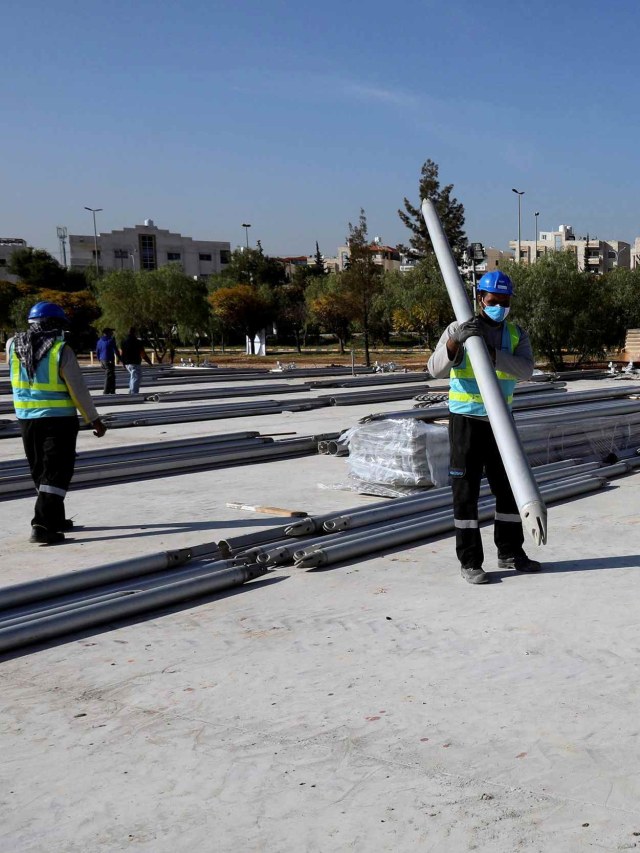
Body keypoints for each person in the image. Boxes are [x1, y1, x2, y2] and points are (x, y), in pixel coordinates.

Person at [427, 270, 541, 585]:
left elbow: (526, 370)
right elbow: (434, 368)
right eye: (493, 301)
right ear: (480, 299)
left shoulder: (516, 334)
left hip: (500, 421)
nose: (499, 307)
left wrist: (492, 355)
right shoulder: (458, 329)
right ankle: (470, 562)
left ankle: (510, 552)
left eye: (504, 302)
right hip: (466, 421)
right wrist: (454, 342)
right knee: (466, 493)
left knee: (509, 490)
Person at [7, 301, 107, 545]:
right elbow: (78, 390)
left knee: (41, 470)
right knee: (56, 471)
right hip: (58, 420)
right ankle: (42, 525)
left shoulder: (12, 345)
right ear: (53, 324)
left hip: (26, 419)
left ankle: (56, 518)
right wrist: (94, 419)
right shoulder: (61, 350)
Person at [120, 326, 152, 394]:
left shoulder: (123, 342)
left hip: (127, 364)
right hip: (135, 363)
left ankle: (131, 391)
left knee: (133, 377)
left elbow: (122, 354)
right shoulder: (138, 342)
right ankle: (134, 393)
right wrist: (149, 362)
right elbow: (143, 354)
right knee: (136, 378)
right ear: (135, 333)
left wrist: (123, 363)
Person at [95, 327, 121, 394]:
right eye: (111, 332)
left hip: (102, 360)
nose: (112, 333)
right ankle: (106, 391)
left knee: (112, 375)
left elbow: (97, 352)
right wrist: (120, 359)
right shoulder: (110, 340)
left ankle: (112, 391)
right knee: (109, 376)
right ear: (107, 333)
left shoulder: (99, 341)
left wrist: (100, 361)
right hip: (109, 360)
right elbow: (116, 351)